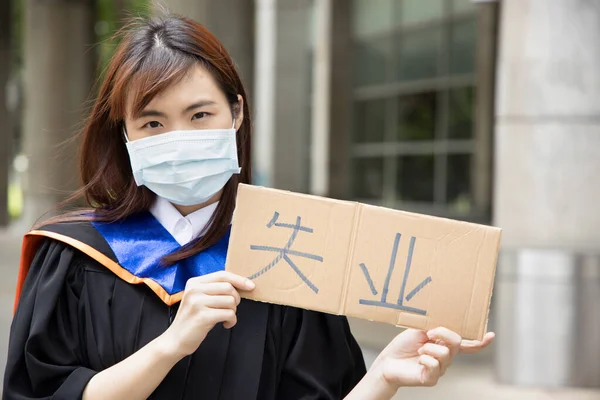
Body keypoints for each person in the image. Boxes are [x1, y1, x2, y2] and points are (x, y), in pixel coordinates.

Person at [2, 14, 494, 400]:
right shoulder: (74, 257)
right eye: (153, 124)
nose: (179, 139)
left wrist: (384, 374)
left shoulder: (292, 260)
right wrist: (172, 345)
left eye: (200, 115)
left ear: (235, 113)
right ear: (124, 134)